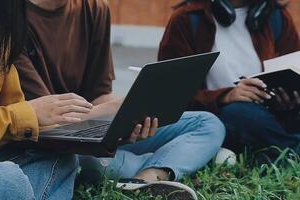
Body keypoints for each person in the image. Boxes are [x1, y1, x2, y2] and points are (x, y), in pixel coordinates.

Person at [14, 0, 226, 198]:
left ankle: (147, 176)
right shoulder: (11, 19)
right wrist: (113, 108)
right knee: (77, 162)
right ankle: (176, 158)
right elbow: (45, 121)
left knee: (208, 123)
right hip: (56, 144)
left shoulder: (94, 7)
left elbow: (100, 94)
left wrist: (129, 113)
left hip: (96, 129)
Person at [0, 0, 94, 199]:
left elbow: (18, 118)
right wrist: (25, 115)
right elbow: (17, 116)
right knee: (8, 179)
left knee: (60, 159)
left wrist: (107, 133)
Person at [158, 0, 300, 161]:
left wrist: (287, 102)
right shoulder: (187, 19)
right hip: (221, 119)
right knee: (241, 113)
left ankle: (285, 148)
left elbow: (295, 68)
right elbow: (170, 95)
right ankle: (292, 152)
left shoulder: (276, 15)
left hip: (270, 116)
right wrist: (226, 96)